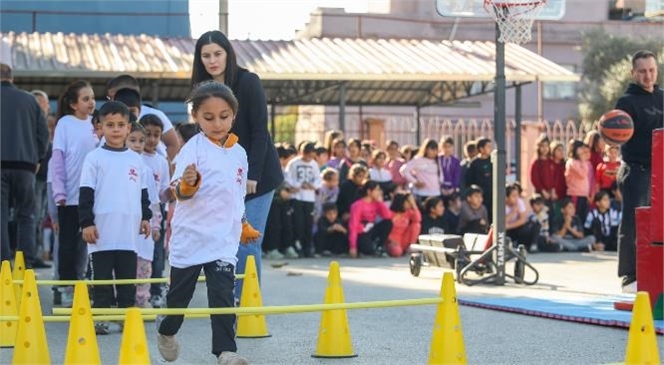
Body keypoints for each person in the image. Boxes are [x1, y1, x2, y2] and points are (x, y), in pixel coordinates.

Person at [156, 81, 249, 365]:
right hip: (192, 236)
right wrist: (187, 186)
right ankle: (166, 331)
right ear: (195, 116)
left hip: (223, 239)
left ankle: (225, 352)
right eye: (208, 118)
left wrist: (243, 222)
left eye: (224, 116)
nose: (217, 123)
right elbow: (176, 191)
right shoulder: (192, 149)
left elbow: (237, 193)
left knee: (222, 294)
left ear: (233, 115)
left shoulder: (239, 153)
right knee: (179, 299)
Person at [191, 30, 283, 300]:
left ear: (228, 54)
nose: (212, 60)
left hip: (258, 176)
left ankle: (247, 303)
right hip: (223, 177)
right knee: (223, 242)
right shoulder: (201, 90)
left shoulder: (247, 81)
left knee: (247, 240)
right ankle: (228, 299)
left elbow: (259, 132)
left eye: (217, 53)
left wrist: (252, 174)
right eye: (206, 55)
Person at [78, 101, 152, 334]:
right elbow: (86, 193)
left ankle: (126, 317)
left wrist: (145, 218)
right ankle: (100, 317)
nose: (116, 129)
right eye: (110, 124)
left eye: (121, 124)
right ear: (100, 127)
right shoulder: (94, 158)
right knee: (100, 278)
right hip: (101, 231)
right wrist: (87, 223)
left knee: (126, 278)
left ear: (129, 128)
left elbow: (143, 193)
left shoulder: (136, 160)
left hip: (128, 233)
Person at [614, 51, 663, 292]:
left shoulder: (663, 97)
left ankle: (657, 274)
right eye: (642, 71)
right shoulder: (626, 103)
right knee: (633, 225)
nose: (648, 75)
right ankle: (629, 277)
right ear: (633, 73)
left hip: (660, 172)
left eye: (652, 70)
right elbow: (615, 133)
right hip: (637, 171)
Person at [51, 80, 98, 306]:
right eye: (86, 99)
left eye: (92, 98)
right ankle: (68, 286)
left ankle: (88, 285)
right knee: (68, 244)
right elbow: (57, 160)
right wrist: (59, 191)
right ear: (73, 104)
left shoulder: (96, 124)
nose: (92, 102)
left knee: (91, 243)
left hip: (92, 196)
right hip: (69, 196)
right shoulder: (65, 124)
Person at [0, 63, 50, 267]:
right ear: (11, 77)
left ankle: (3, 262)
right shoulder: (30, 100)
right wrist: (37, 158)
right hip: (26, 166)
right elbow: (43, 134)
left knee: (1, 215)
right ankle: (26, 262)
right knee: (27, 214)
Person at [105, 74, 181, 160]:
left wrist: (161, 167)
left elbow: (173, 144)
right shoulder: (113, 118)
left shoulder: (155, 114)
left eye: (114, 96)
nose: (112, 100)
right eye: (109, 97)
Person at [138, 114, 171, 307]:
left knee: (157, 257)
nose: (151, 139)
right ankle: (137, 294)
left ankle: (156, 292)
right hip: (138, 215)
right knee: (139, 258)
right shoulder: (135, 157)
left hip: (156, 215)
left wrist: (175, 192)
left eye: (156, 135)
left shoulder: (161, 161)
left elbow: (163, 191)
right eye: (147, 134)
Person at [285, 142, 322, 257]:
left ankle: (308, 247)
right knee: (298, 223)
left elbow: (318, 179)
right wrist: (298, 185)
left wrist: (313, 186)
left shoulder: (314, 164)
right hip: (297, 197)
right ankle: (297, 245)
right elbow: (288, 177)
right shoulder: (294, 163)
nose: (309, 158)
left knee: (308, 223)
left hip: (309, 198)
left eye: (311, 156)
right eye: (307, 155)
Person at [31, 90, 54, 265]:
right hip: (33, 177)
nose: (42, 107)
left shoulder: (49, 125)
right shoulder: (27, 124)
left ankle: (35, 253)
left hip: (47, 178)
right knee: (33, 216)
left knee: (40, 218)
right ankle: (31, 254)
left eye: (43, 103)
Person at [348, 181, 393, 258]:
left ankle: (379, 246)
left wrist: (381, 202)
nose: (379, 192)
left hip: (371, 229)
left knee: (388, 223)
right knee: (368, 249)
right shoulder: (357, 205)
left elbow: (388, 216)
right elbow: (353, 226)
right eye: (377, 190)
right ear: (369, 191)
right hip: (361, 232)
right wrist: (353, 247)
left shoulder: (376, 203)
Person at [565, 140, 594, 222]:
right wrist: (583, 160)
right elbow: (582, 174)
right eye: (581, 148)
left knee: (583, 216)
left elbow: (588, 179)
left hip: (584, 194)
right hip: (575, 194)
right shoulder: (572, 162)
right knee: (575, 215)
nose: (583, 151)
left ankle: (581, 233)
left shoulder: (584, 162)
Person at [505, 184, 539, 252]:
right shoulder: (502, 204)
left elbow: (522, 220)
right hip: (507, 231)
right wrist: (513, 212)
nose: (516, 198)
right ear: (507, 197)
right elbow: (502, 222)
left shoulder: (519, 201)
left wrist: (509, 226)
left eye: (517, 195)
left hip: (514, 227)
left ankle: (533, 245)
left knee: (534, 223)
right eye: (513, 196)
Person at [465, 138, 493, 223]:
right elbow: (469, 181)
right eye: (488, 147)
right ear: (481, 149)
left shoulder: (493, 161)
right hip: (479, 197)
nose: (490, 149)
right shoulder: (474, 163)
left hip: (492, 195)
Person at [387, 192, 422, 257]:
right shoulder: (390, 213)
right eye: (408, 202)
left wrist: (414, 204)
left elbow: (418, 219)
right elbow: (385, 230)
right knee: (397, 252)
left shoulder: (408, 213)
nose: (409, 204)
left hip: (403, 239)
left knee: (416, 225)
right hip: (392, 241)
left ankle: (411, 246)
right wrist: (390, 239)